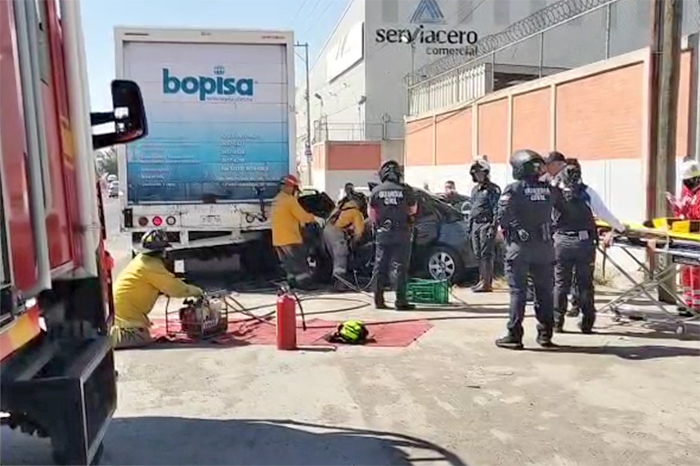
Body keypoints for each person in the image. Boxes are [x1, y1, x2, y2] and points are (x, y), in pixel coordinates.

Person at [551, 159, 625, 334]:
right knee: (585, 284)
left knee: (560, 284)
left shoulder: (555, 193)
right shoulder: (587, 192)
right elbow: (604, 213)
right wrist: (620, 228)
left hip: (561, 242)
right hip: (584, 243)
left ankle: (557, 322)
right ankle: (587, 323)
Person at [496, 149, 555, 350]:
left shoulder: (514, 189)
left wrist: (515, 227)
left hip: (520, 248)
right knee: (544, 292)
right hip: (544, 248)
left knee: (518, 292)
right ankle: (545, 335)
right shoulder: (549, 190)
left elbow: (502, 215)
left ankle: (514, 335)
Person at [110, 229, 203, 349]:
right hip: (127, 316)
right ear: (162, 251)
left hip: (121, 311)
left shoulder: (141, 260)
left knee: (141, 334)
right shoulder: (151, 266)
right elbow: (176, 289)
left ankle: (110, 333)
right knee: (140, 338)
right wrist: (198, 291)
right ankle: (107, 340)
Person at [369, 160, 418, 310]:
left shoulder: (376, 191)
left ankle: (378, 300)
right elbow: (413, 210)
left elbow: (372, 214)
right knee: (400, 267)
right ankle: (400, 301)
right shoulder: (406, 190)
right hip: (401, 232)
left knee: (380, 266)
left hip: (383, 233)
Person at [543, 150, 582, 315]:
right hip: (559, 231)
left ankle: (572, 305)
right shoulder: (552, 180)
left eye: (549, 165)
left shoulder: (565, 179)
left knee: (567, 274)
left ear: (558, 164)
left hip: (568, 232)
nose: (546, 168)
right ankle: (567, 305)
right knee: (563, 274)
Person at [270, 174, 316, 289]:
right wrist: (314, 218)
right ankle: (304, 284)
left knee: (288, 265)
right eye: (294, 188)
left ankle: (292, 284)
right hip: (291, 238)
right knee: (299, 264)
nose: (294, 190)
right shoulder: (290, 200)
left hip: (278, 239)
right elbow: (303, 217)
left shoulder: (276, 200)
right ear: (289, 187)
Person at [668, 159, 700, 316]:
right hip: (687, 238)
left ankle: (697, 304)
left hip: (696, 238)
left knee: (696, 271)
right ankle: (689, 302)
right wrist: (678, 207)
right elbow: (684, 215)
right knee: (685, 269)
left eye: (688, 181)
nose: (686, 184)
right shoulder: (689, 193)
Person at [468, 158, 501, 292]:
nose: (478, 175)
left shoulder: (493, 189)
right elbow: (472, 209)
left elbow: (496, 209)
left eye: (480, 173)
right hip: (475, 224)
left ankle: (487, 283)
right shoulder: (475, 190)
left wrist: (493, 226)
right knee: (478, 254)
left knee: (486, 254)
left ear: (486, 173)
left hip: (486, 224)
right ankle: (481, 280)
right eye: (476, 173)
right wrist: (469, 227)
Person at [324, 192, 365, 288]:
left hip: (326, 231)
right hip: (337, 234)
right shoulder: (356, 212)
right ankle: (340, 284)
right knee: (341, 257)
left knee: (333, 257)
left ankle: (331, 281)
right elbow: (359, 233)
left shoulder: (340, 208)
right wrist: (354, 244)